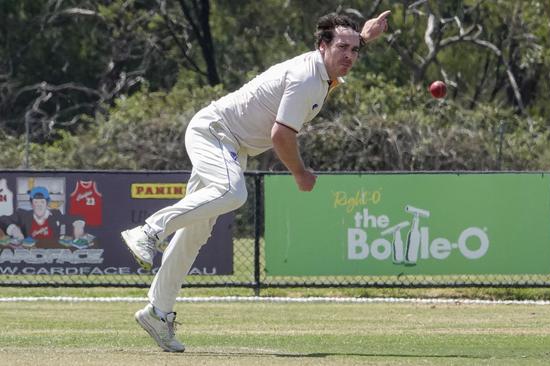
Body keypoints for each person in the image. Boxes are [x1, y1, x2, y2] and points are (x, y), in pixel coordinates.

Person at [120, 10, 391, 353]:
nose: (350, 56)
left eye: (355, 49)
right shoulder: (307, 77)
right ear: (322, 46)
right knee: (232, 192)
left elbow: (345, 50)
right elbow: (281, 136)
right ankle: (149, 231)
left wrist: (364, 36)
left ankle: (157, 312)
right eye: (343, 48)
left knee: (197, 231)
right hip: (214, 132)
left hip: (233, 145)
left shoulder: (325, 69)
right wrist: (300, 173)